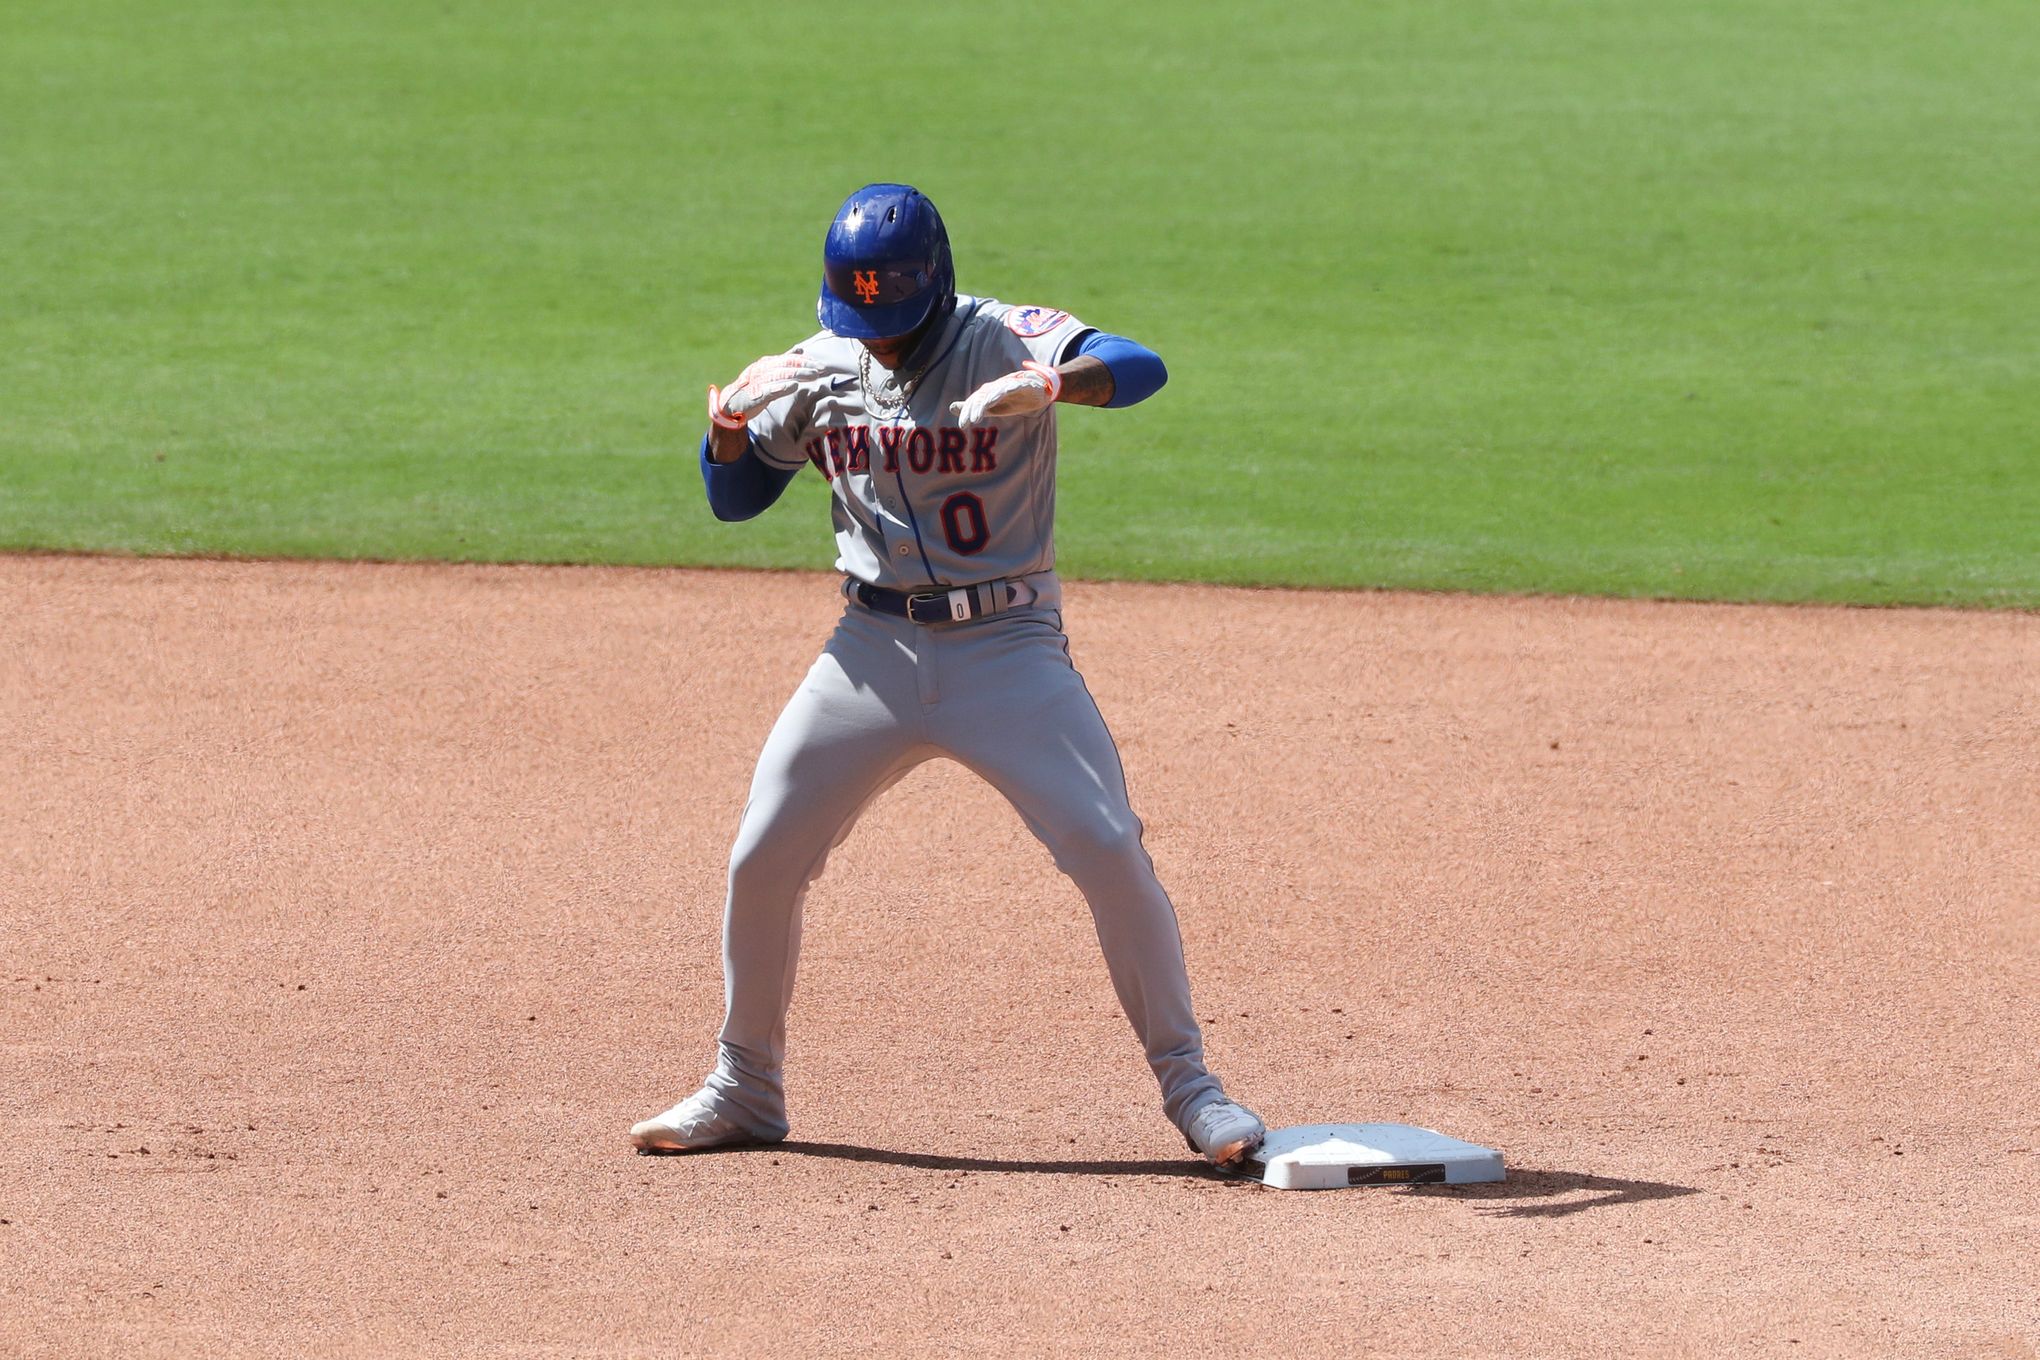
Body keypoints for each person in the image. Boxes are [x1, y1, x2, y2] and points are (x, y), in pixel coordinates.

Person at [630, 183, 1264, 1167]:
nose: (877, 337)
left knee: (1104, 842)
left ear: (937, 288)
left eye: (891, 316)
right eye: (861, 315)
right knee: (763, 854)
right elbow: (737, 499)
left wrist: (1058, 387)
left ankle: (1193, 1088)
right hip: (869, 655)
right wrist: (721, 438)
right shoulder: (821, 366)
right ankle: (744, 1085)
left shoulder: (1004, 334)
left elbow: (1143, 368)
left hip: (1009, 649)